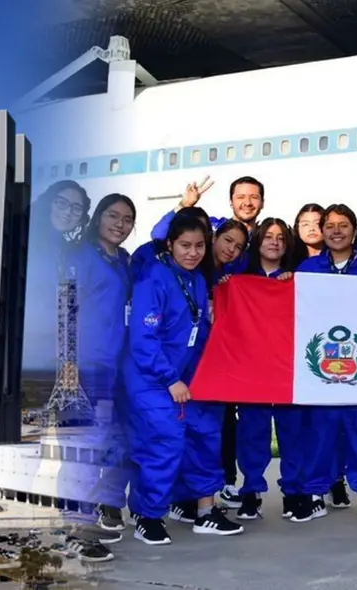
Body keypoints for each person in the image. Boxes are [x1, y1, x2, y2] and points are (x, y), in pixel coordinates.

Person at [124, 215, 242, 545]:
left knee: (205, 433)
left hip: (186, 377)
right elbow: (144, 340)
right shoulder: (154, 278)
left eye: (200, 246)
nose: (193, 253)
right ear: (171, 244)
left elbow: (197, 331)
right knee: (166, 441)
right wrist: (169, 378)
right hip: (151, 379)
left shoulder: (196, 278)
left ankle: (206, 512)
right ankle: (148, 515)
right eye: (185, 246)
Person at [295, 204, 357, 523]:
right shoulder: (306, 269)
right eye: (330, 225)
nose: (337, 231)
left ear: (355, 231)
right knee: (319, 431)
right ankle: (313, 493)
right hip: (317, 368)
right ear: (321, 231)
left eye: (344, 225)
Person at [67, 194, 137, 547]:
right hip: (87, 367)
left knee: (120, 438)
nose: (120, 224)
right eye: (113, 216)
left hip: (120, 367)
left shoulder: (124, 260)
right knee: (87, 442)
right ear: (97, 218)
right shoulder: (79, 258)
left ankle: (109, 501)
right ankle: (77, 525)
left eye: (127, 219)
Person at [232, 218, 305, 521]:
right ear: (258, 241)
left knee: (293, 433)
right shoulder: (239, 279)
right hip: (252, 372)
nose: (274, 242)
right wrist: (226, 288)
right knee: (252, 434)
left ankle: (294, 491)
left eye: (281, 238)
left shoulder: (297, 279)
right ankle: (251, 490)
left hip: (288, 370)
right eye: (269, 237)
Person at [24, 181, 91, 372]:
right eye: (62, 203)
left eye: (76, 208)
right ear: (48, 203)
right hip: (29, 346)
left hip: (55, 351)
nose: (68, 212)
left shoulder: (64, 248)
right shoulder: (29, 238)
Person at [292, 204, 325, 268]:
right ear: (297, 228)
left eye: (317, 223)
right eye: (305, 224)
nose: (311, 229)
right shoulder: (288, 260)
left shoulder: (337, 259)